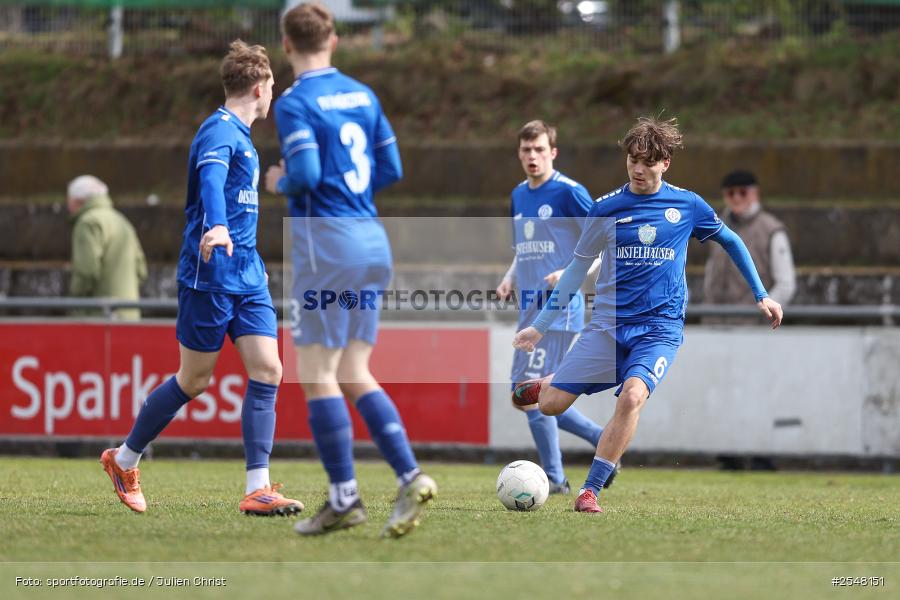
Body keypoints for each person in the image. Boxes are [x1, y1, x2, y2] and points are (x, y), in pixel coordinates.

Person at [511, 116, 783, 513]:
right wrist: (540, 326)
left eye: (648, 162)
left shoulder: (687, 205)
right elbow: (575, 269)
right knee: (550, 406)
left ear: (665, 163)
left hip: (659, 330)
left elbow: (732, 240)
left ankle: (590, 490)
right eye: (632, 160)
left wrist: (762, 294)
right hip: (607, 327)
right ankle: (551, 383)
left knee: (633, 396)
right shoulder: (606, 208)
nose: (639, 169)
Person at [100, 40, 303, 517]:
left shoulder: (243, 137)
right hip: (208, 276)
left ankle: (258, 488)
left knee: (269, 370)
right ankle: (124, 459)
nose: (274, 93)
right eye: (273, 85)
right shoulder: (219, 133)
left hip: (248, 274)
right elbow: (212, 181)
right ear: (259, 88)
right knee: (194, 381)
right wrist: (215, 224)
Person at [264, 2, 436, 538]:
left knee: (316, 375)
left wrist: (278, 183)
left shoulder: (295, 103)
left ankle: (344, 498)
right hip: (371, 243)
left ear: (287, 45)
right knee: (354, 371)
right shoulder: (364, 94)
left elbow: (307, 172)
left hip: (326, 249)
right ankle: (410, 476)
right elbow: (392, 167)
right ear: (334, 40)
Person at [496, 120, 611, 494]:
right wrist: (510, 276)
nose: (533, 157)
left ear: (553, 152)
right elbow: (523, 248)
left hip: (559, 311)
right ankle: (599, 437)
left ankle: (556, 479)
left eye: (540, 150)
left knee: (530, 394)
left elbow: (602, 244)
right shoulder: (518, 194)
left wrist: (570, 272)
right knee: (529, 395)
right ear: (519, 152)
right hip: (529, 308)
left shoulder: (569, 193)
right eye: (527, 150)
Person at [704, 169, 796, 309]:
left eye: (743, 192)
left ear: (755, 193)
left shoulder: (772, 230)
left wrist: (762, 312)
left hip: (752, 325)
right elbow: (710, 272)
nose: (736, 197)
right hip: (714, 321)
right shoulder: (716, 226)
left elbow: (785, 284)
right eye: (730, 193)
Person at [67, 175, 147, 321]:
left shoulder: (87, 223)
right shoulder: (122, 221)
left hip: (99, 318)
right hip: (130, 315)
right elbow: (141, 271)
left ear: (77, 201)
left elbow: (87, 271)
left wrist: (74, 298)